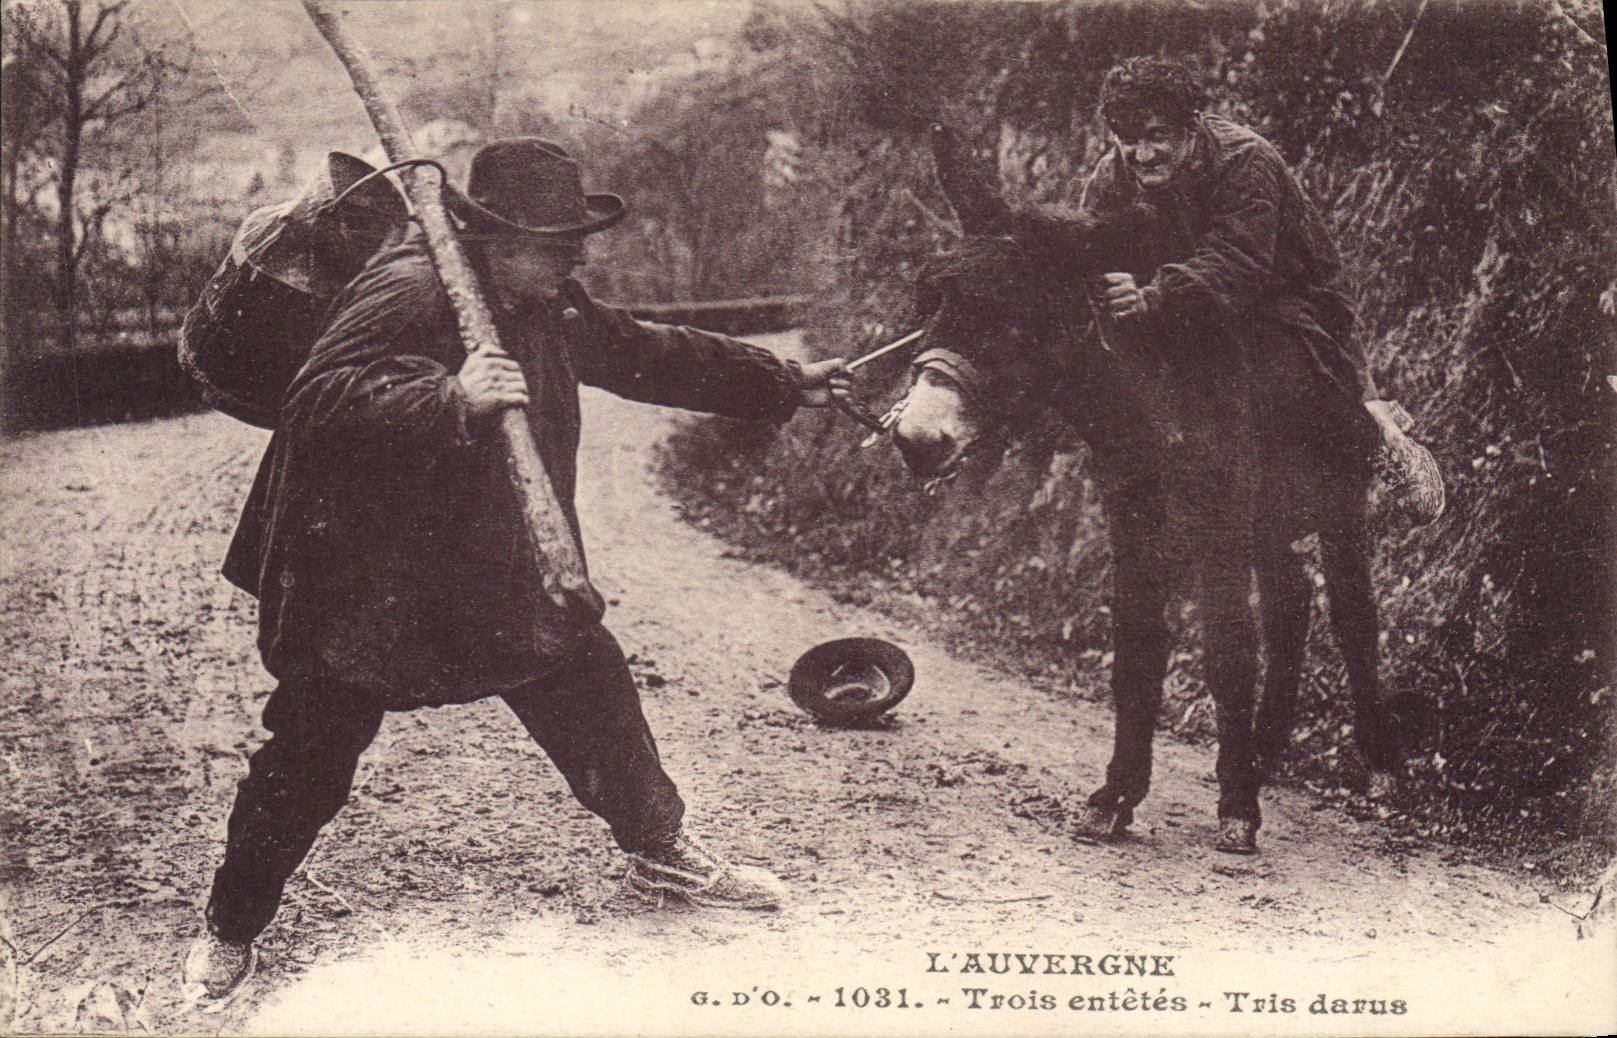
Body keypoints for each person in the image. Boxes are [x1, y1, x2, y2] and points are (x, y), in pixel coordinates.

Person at [182, 137, 849, 1003]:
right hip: (364, 572)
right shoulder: (412, 286)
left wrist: (781, 380)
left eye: (578, 237)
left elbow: (639, 350)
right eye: (559, 239)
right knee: (311, 750)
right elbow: (318, 400)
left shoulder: (541, 299)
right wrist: (448, 398)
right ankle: (230, 926)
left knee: (589, 684)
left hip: (490, 558)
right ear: (496, 238)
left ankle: (660, 852)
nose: (577, 253)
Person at [1030, 56, 1444, 523]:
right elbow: (1091, 252)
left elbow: (1238, 260)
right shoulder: (1112, 179)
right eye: (1128, 140)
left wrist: (1150, 296)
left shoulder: (1246, 159)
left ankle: (1382, 440)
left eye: (1156, 136)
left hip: (1281, 300)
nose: (1142, 154)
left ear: (1190, 125)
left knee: (1303, 387)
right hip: (1184, 311)